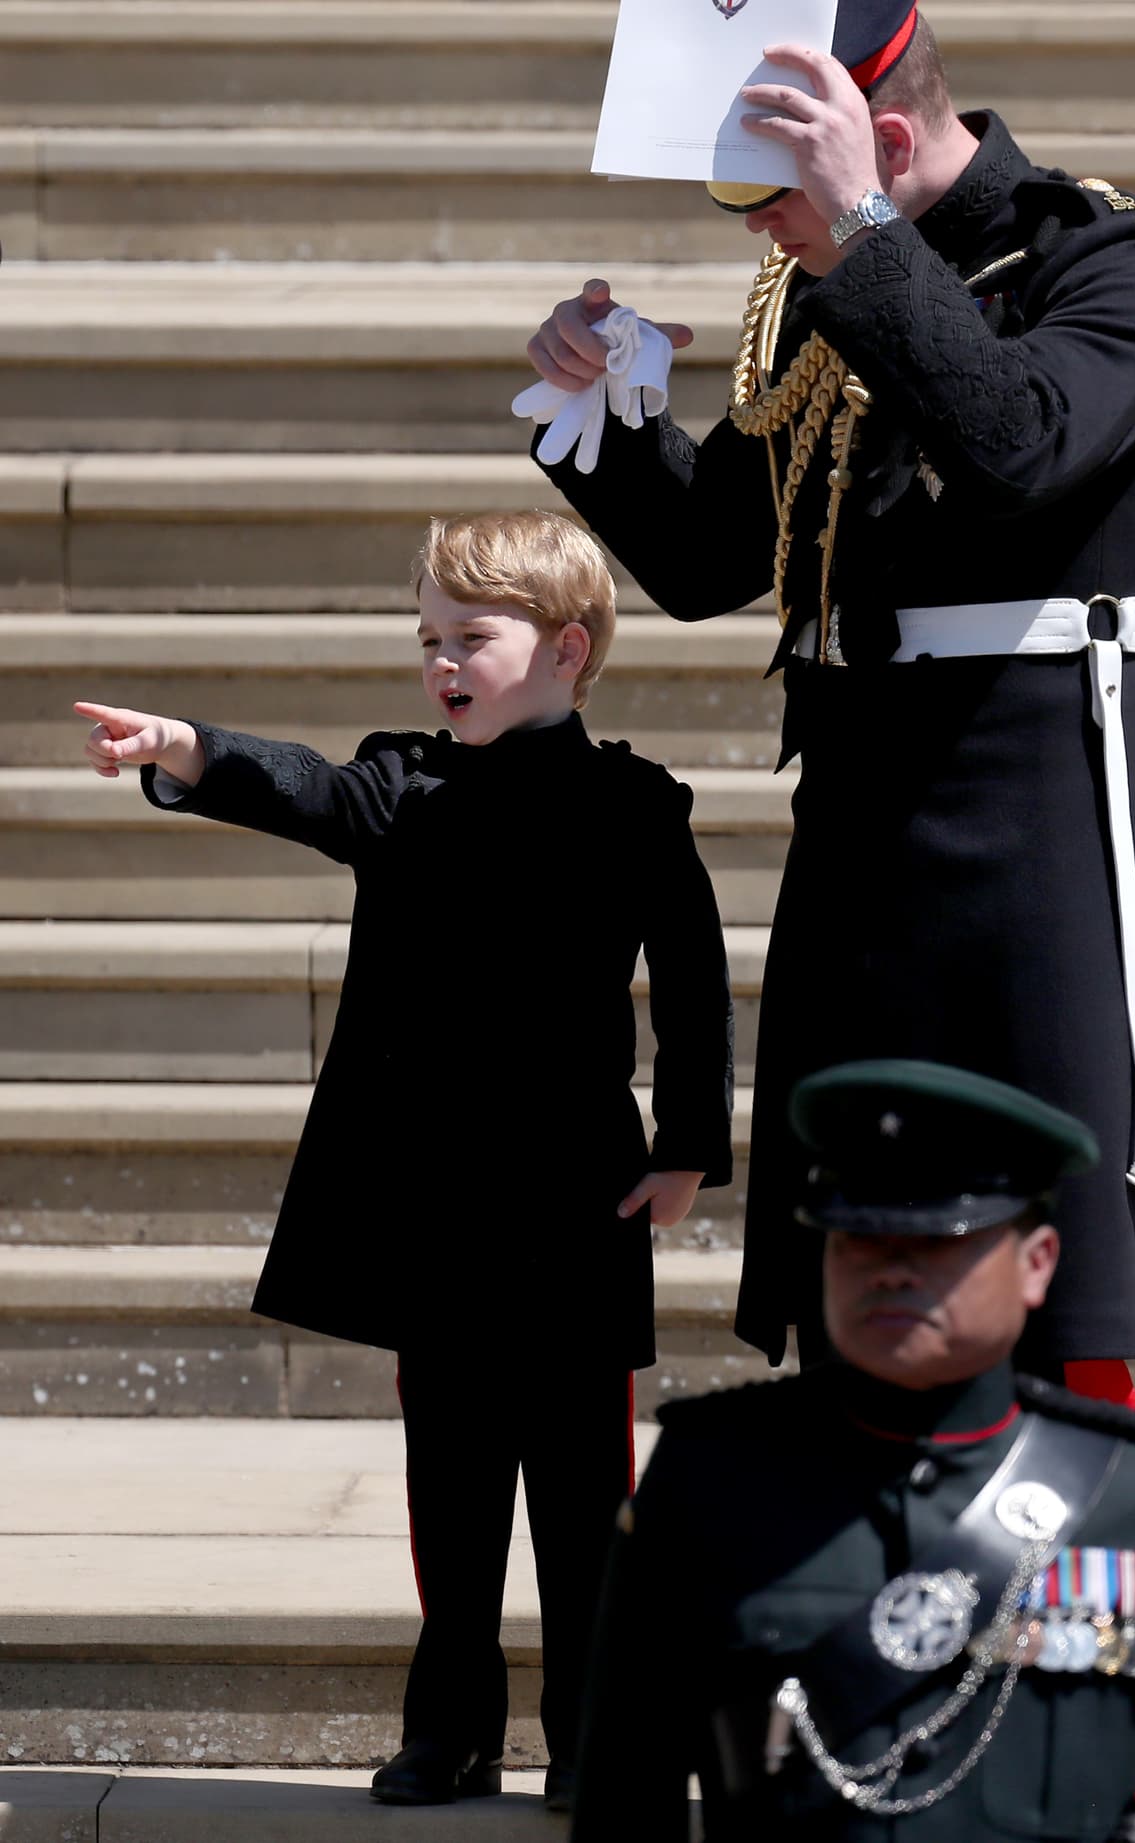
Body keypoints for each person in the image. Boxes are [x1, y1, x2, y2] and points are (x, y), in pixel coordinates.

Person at [524, 0, 1135, 1386]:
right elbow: (722, 554)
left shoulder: (1109, 252)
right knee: (848, 1232)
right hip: (859, 814)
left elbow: (1020, 444)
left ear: (879, 140)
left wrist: (868, 243)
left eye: (777, 198)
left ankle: (1072, 1582)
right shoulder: (825, 281)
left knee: (1051, 1250)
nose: (761, 233)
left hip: (1030, 812)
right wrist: (613, 414)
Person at [73, 509, 734, 1811]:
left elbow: (697, 984)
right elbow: (307, 784)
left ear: (566, 649)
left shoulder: (634, 805)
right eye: (427, 636)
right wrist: (193, 753)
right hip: (436, 1203)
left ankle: (596, 1727)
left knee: (586, 1485)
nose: (441, 660)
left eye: (470, 638)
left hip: (581, 1195)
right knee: (454, 1484)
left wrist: (690, 1144)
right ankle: (453, 1725)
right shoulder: (403, 784)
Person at [570, 1061, 1135, 1842]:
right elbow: (624, 1806)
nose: (893, 1269)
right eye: (859, 1237)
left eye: (940, 1240)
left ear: (1037, 1261)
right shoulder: (707, 1479)